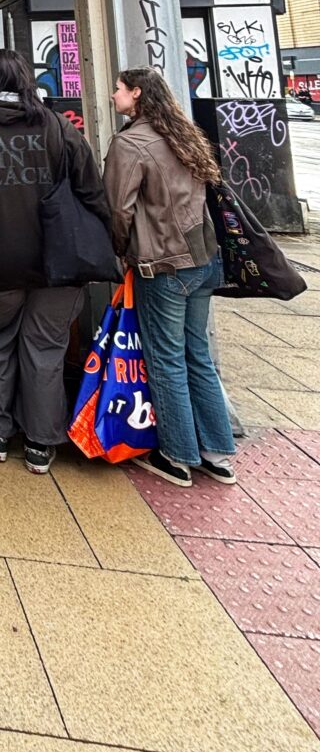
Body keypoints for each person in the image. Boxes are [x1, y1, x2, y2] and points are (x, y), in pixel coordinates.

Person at [0, 48, 110, 474]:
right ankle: (40, 441)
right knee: (45, 350)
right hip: (57, 262)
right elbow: (91, 190)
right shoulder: (55, 125)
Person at [104, 67, 235, 489]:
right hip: (203, 261)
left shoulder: (130, 143)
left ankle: (177, 456)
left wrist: (122, 252)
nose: (113, 94)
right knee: (197, 354)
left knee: (166, 359)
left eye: (119, 89)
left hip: (163, 265)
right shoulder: (185, 136)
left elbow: (118, 211)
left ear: (136, 94)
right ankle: (217, 452)